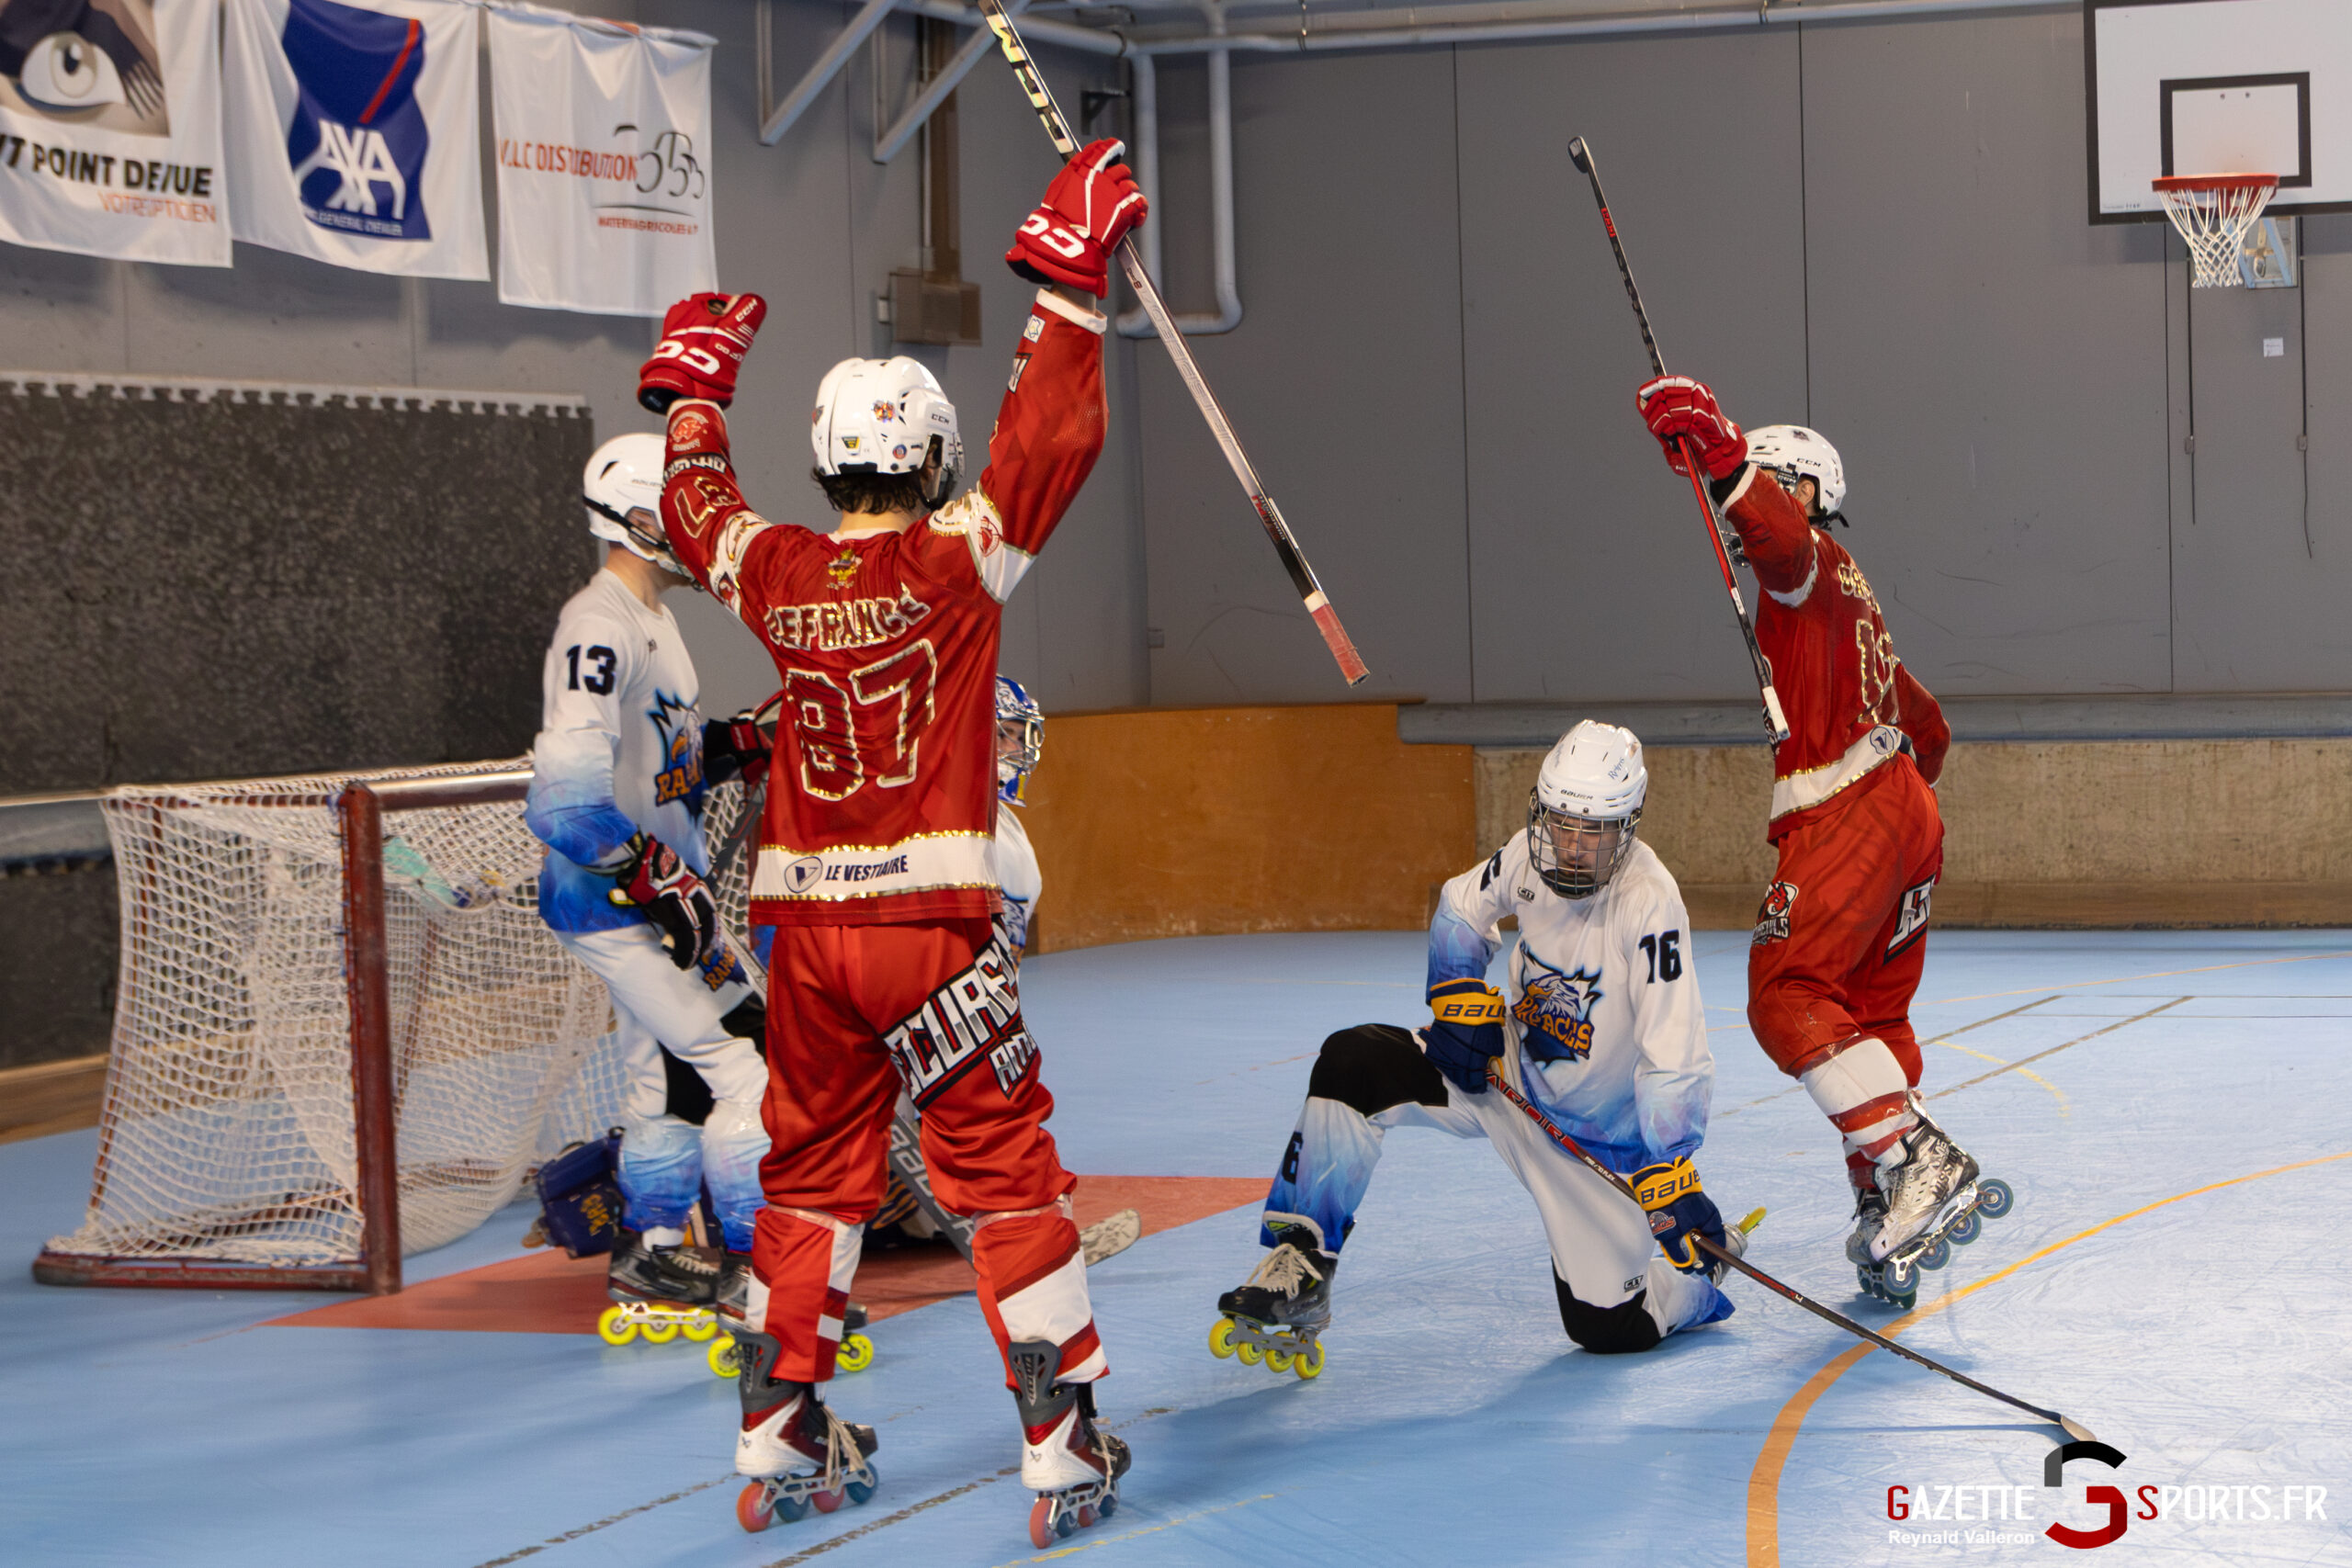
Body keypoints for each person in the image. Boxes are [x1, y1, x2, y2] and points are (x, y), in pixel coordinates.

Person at [637, 139, 1147, 1545]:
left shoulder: (785, 577)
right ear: (924, 455)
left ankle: (775, 1431)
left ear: (826, 454)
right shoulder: (956, 559)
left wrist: (688, 386)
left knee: (808, 1180)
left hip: (804, 942)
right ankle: (1060, 1442)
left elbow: (697, 512)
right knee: (1006, 1181)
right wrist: (1065, 275)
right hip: (933, 936)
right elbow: (1049, 442)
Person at [1211, 722, 1742, 1372]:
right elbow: (1461, 906)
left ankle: (1697, 1288)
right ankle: (1300, 1258)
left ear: (1627, 826)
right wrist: (1457, 996)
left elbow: (1675, 1052)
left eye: (1593, 831)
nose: (1571, 847)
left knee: (1607, 1329)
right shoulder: (1528, 853)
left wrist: (1671, 1170)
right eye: (1561, 823)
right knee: (1352, 1058)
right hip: (1501, 1075)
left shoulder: (1650, 903)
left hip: (1590, 1145)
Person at [1633, 378, 1981, 1302]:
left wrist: (1724, 456)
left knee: (1786, 992)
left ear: (1795, 488)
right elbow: (1930, 727)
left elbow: (1778, 544)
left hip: (1849, 805)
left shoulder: (1807, 568)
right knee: (1869, 1017)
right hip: (1905, 806)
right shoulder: (1858, 612)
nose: (1735, 518)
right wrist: (1903, 809)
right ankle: (1887, 1212)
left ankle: (1912, 1159)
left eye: (1751, 494)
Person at [525, 434, 775, 1326]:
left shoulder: (657, 622)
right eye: (690, 511)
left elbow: (659, 765)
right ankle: (762, 1277)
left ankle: (654, 1258)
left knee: (665, 1079)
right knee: (750, 1066)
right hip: (619, 900)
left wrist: (731, 745)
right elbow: (563, 803)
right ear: (641, 519)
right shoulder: (597, 628)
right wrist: (650, 871)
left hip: (659, 892)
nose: (710, 529)